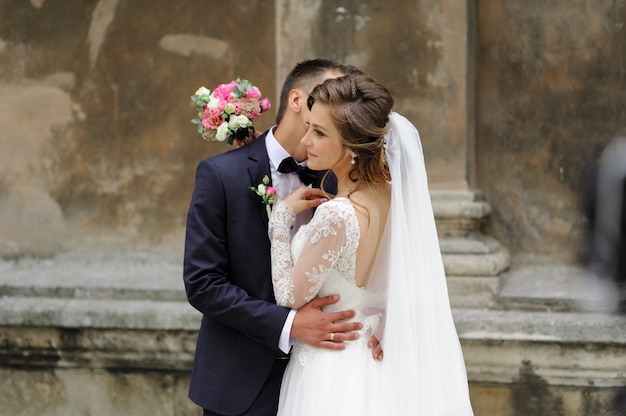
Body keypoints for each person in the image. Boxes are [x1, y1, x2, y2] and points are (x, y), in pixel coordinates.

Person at [269, 73, 474, 415]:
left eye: (319, 133)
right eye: (308, 126)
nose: (306, 140)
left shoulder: (337, 215)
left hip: (330, 372)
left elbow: (289, 297)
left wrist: (280, 222)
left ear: (350, 148)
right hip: (375, 361)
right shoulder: (397, 199)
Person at [183, 59, 378, 416]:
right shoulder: (220, 175)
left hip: (329, 378)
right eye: (326, 95)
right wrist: (289, 325)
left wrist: (382, 319)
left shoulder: (344, 179)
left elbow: (381, 262)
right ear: (296, 101)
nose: (341, 106)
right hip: (240, 381)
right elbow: (203, 284)